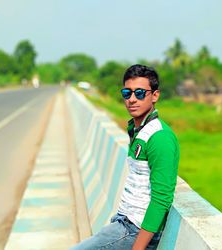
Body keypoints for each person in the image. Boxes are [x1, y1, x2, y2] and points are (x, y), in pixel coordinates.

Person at [70, 64, 180, 250]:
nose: (132, 99)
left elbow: (162, 199)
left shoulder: (160, 137)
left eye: (140, 93)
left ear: (155, 95)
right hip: (122, 221)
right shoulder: (138, 130)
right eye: (127, 93)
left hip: (135, 230)